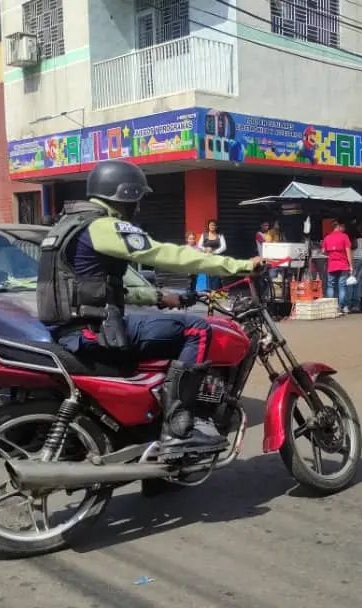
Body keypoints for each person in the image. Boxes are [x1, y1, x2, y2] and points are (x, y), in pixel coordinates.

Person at [36, 159, 261, 462]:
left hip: (70, 330)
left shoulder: (66, 225)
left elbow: (92, 287)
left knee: (163, 329)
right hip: (93, 331)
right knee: (197, 329)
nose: (138, 207)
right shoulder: (103, 225)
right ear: (125, 195)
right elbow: (165, 254)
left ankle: (155, 450)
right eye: (137, 199)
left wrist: (158, 295)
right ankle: (178, 429)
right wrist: (241, 265)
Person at [321, 220, 354, 314]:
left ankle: (331, 307)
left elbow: (323, 251)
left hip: (332, 265)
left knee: (330, 285)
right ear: (339, 227)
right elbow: (348, 251)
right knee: (342, 286)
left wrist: (330, 254)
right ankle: (341, 306)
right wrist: (351, 265)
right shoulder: (344, 236)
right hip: (343, 265)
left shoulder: (327, 238)